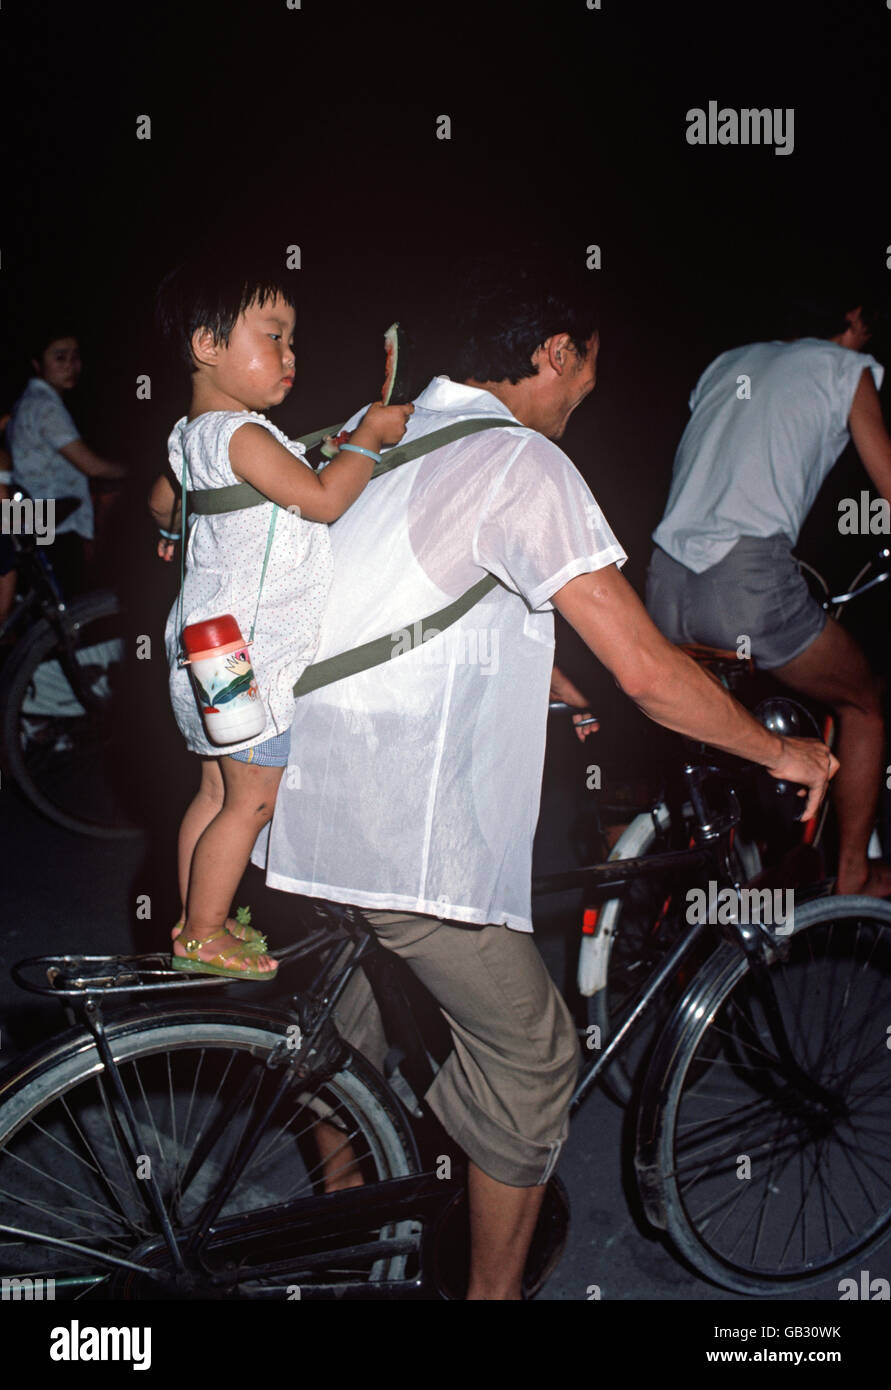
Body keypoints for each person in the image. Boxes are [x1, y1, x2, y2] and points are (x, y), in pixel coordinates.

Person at [251, 250, 835, 1298]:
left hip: (298, 800)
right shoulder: (522, 462)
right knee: (534, 1061)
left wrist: (559, 689)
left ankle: (349, 1240)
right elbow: (652, 671)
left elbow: (426, 599)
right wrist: (779, 746)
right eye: (587, 372)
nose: (588, 394)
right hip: (396, 823)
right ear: (552, 351)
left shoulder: (396, 439)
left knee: (349, 1046)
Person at [149, 258, 413, 980]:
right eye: (273, 336)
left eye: (293, 340)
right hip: (244, 660)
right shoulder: (244, 435)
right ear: (207, 345)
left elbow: (161, 506)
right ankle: (203, 931)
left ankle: (194, 917)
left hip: (198, 647)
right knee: (253, 801)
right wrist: (369, 438)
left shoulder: (189, 436)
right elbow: (324, 501)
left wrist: (179, 532)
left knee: (213, 790)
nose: (291, 355)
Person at [646, 295, 891, 897]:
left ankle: (693, 880)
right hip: (745, 583)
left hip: (662, 583)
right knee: (863, 704)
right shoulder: (846, 369)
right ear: (855, 319)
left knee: (715, 733)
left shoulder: (728, 362)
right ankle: (854, 875)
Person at [5, 330, 126, 597]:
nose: (71, 366)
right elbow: (91, 466)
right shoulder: (45, 406)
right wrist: (136, 470)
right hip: (51, 524)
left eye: (75, 357)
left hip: (33, 521)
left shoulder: (29, 401)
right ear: (37, 364)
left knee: (47, 616)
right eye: (60, 357)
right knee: (70, 611)